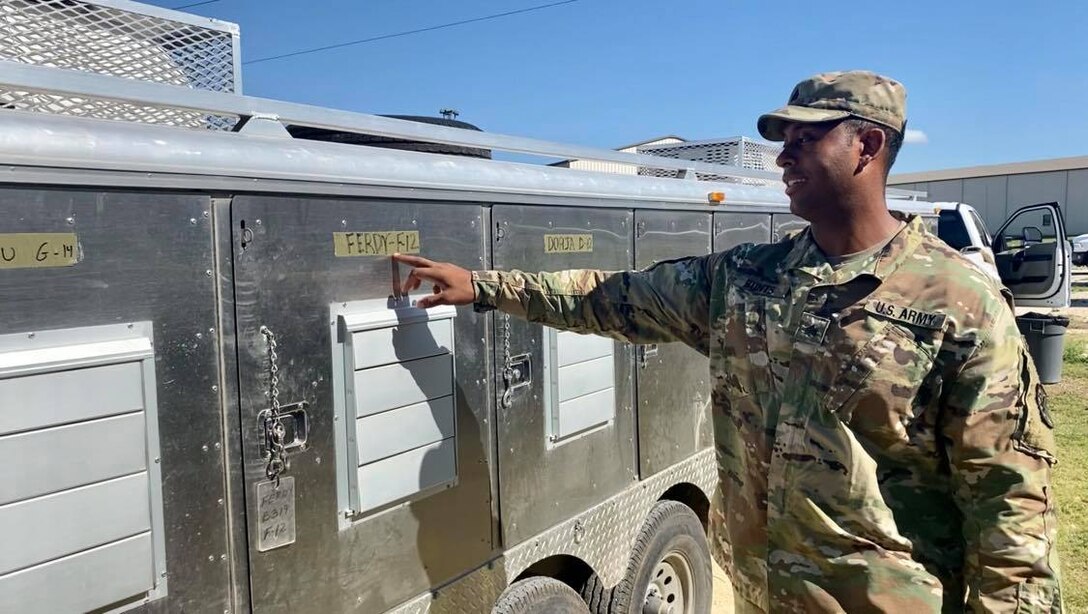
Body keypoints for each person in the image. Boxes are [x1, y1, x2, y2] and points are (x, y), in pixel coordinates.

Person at [392, 71, 1062, 612]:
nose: (783, 156)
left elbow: (1012, 503)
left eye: (806, 138)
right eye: (783, 140)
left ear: (867, 146)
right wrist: (480, 285)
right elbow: (610, 297)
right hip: (764, 592)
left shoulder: (956, 302)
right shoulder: (746, 279)